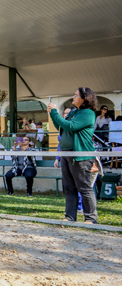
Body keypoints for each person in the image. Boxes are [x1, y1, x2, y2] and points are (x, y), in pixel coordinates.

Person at [49, 87, 98, 224]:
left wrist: (54, 111)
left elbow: (70, 126)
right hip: (66, 154)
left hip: (80, 155)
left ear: (84, 98)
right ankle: (70, 217)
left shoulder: (88, 113)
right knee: (69, 187)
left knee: (84, 187)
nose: (73, 97)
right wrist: (53, 114)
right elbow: (62, 126)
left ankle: (91, 218)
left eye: (76, 95)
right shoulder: (74, 112)